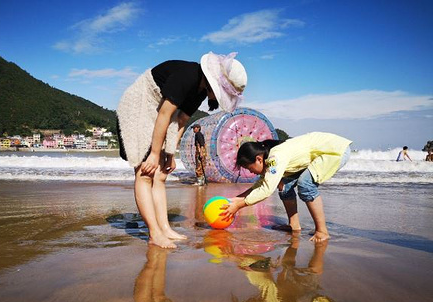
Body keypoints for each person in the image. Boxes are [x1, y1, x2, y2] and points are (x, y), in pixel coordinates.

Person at [116, 52, 247, 248]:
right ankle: (154, 233)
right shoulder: (187, 77)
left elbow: (180, 121)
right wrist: (154, 154)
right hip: (138, 107)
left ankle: (165, 229)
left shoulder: (200, 90)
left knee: (160, 175)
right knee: (145, 172)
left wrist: (169, 153)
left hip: (160, 114)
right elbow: (164, 114)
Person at [220, 132, 352, 243]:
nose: (251, 172)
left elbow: (266, 189)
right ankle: (294, 225)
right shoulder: (269, 160)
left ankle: (322, 231)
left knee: (305, 184)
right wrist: (236, 199)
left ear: (259, 159)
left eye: (249, 168)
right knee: (283, 184)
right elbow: (262, 183)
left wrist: (239, 205)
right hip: (322, 152)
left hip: (334, 151)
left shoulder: (274, 158)